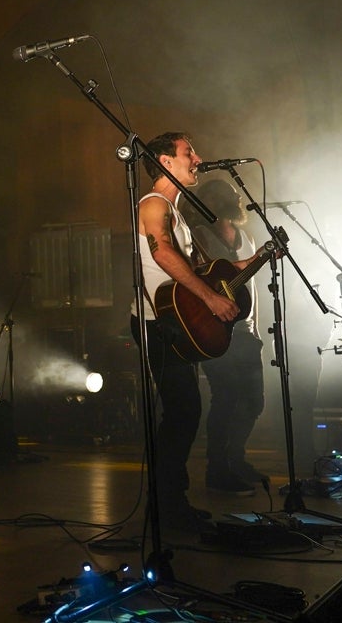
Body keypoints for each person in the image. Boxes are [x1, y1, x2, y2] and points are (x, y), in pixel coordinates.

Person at [132, 133, 255, 534]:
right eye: (189, 153)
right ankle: (167, 508)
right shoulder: (154, 203)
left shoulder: (177, 209)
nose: (198, 159)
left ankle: (172, 503)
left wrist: (259, 258)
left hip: (174, 322)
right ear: (166, 161)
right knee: (183, 412)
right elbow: (161, 252)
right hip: (158, 323)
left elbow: (203, 270)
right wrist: (210, 299)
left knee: (185, 413)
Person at [181, 179, 267, 495]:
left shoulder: (245, 237)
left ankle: (235, 459)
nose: (233, 197)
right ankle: (217, 468)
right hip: (216, 331)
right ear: (209, 202)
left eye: (232, 193)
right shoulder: (201, 238)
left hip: (246, 332)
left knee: (254, 401)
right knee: (226, 398)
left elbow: (251, 290)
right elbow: (210, 279)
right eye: (223, 195)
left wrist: (256, 328)